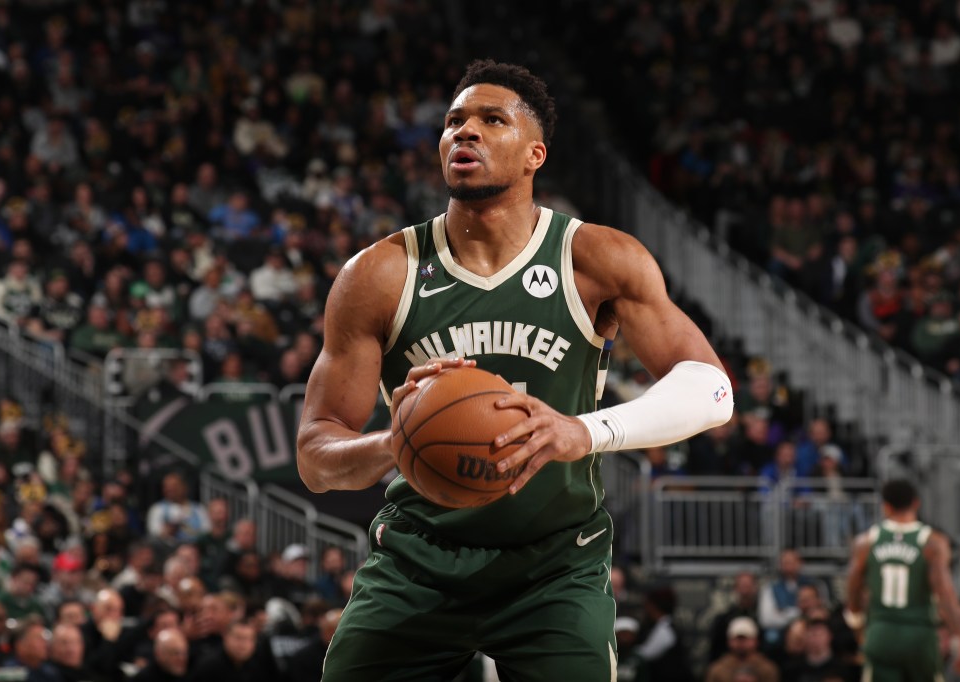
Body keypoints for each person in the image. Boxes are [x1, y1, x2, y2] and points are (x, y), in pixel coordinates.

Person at [296, 59, 733, 680]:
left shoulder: (595, 258)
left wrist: (582, 431)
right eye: (453, 121)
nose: (463, 132)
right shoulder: (379, 274)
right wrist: (395, 443)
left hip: (554, 565)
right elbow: (315, 457)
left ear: (535, 154)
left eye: (489, 119)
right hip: (420, 558)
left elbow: (713, 389)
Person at [845, 479, 960, 681]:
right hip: (919, 634)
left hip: (881, 631)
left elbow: (853, 586)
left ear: (885, 506)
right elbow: (945, 592)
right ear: (916, 503)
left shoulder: (866, 541)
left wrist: (856, 622)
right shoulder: (933, 542)